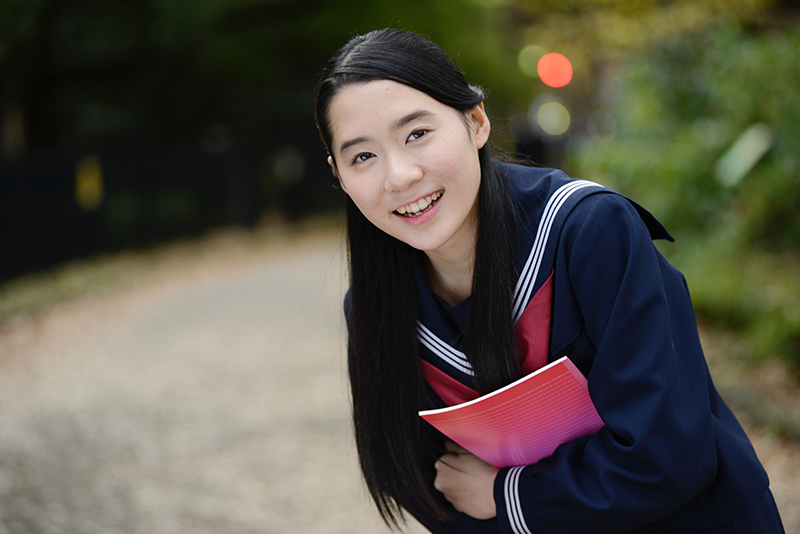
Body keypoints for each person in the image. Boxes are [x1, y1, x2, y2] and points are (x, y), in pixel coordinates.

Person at [314, 28, 785, 534]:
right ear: (339, 175)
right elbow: (420, 479)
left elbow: (668, 453)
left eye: (417, 134)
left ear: (475, 122)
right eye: (362, 156)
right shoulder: (378, 305)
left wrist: (508, 494)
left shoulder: (588, 233)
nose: (400, 175)